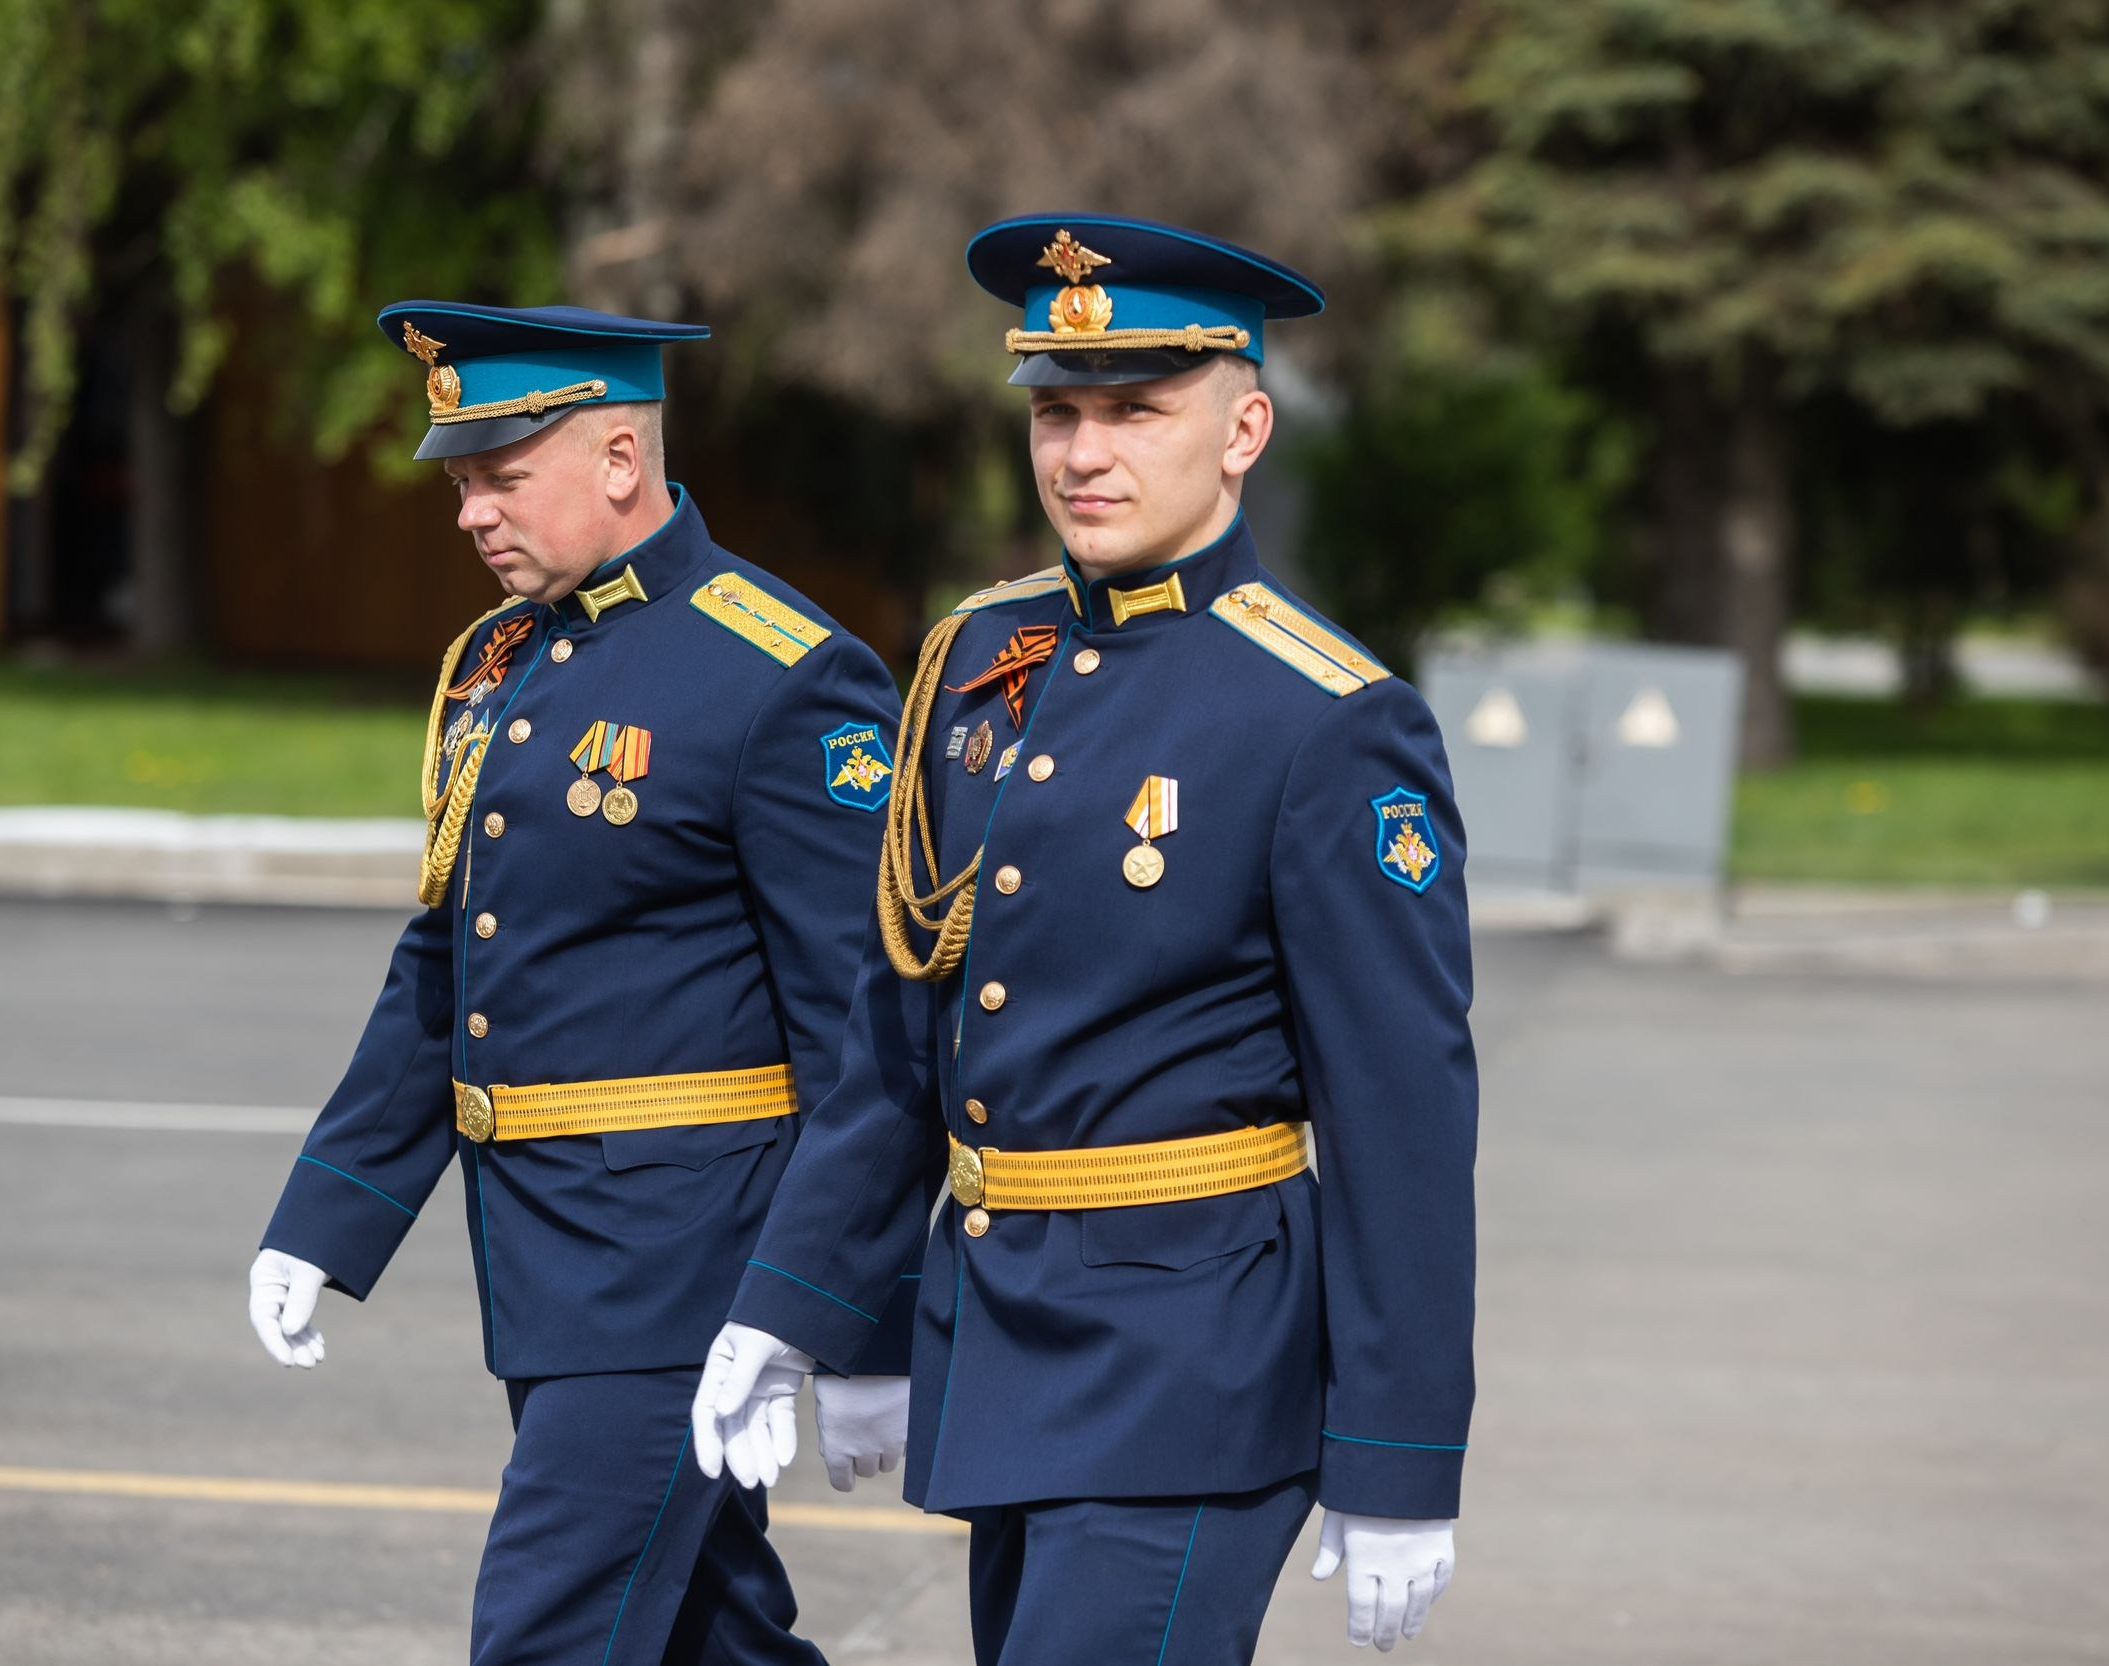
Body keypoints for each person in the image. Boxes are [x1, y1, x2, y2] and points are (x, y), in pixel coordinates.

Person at [691, 216, 1478, 1662]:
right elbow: (899, 1044)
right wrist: (800, 1303)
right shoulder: (981, 674)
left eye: (1135, 409)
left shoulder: (1326, 717)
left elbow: (1404, 1117)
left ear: (1244, 428)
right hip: (1007, 1337)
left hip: (1196, 1362)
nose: (1083, 453)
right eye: (1058, 411)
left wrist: (1401, 1454)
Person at [245, 300, 912, 1666]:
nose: (468, 512)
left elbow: (867, 1031)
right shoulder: (509, 666)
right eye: (460, 479)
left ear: (619, 458)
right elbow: (449, 962)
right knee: (709, 1634)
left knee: (546, 1634)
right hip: (549, 1259)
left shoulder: (779, 673)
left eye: (501, 473)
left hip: (687, 1271)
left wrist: (853, 1312)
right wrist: (329, 1210)